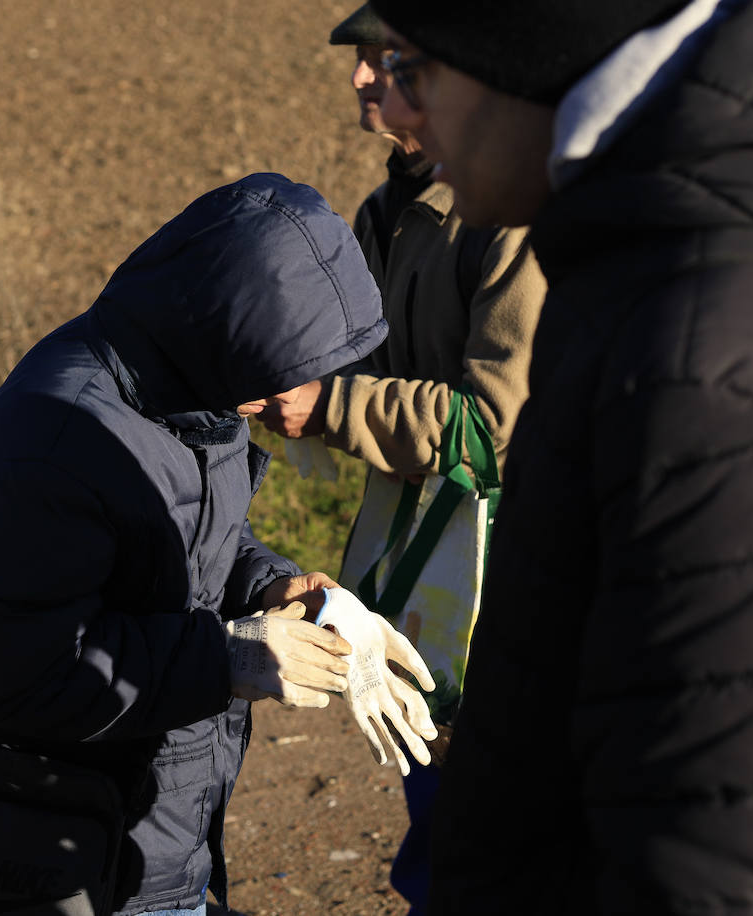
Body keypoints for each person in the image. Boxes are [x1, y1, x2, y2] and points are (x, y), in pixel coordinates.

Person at [365, 0, 753, 912]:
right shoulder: (656, 254)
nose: (396, 109)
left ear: (519, 50)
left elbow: (728, 864)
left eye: (415, 67)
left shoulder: (709, 364)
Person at [0, 172, 417, 916]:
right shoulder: (51, 444)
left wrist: (276, 589)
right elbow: (15, 674)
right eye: (274, 379)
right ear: (220, 324)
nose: (287, 405)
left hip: (160, 814)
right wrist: (229, 656)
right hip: (69, 828)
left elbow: (193, 542)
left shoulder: (198, 389)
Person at [256, 7, 545, 914]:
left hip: (513, 573)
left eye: (385, 61)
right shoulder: (388, 211)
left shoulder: (505, 217)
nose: (360, 79)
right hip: (428, 566)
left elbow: (492, 425)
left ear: (452, 74)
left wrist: (334, 406)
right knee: (437, 784)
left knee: (495, 828)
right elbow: (369, 368)